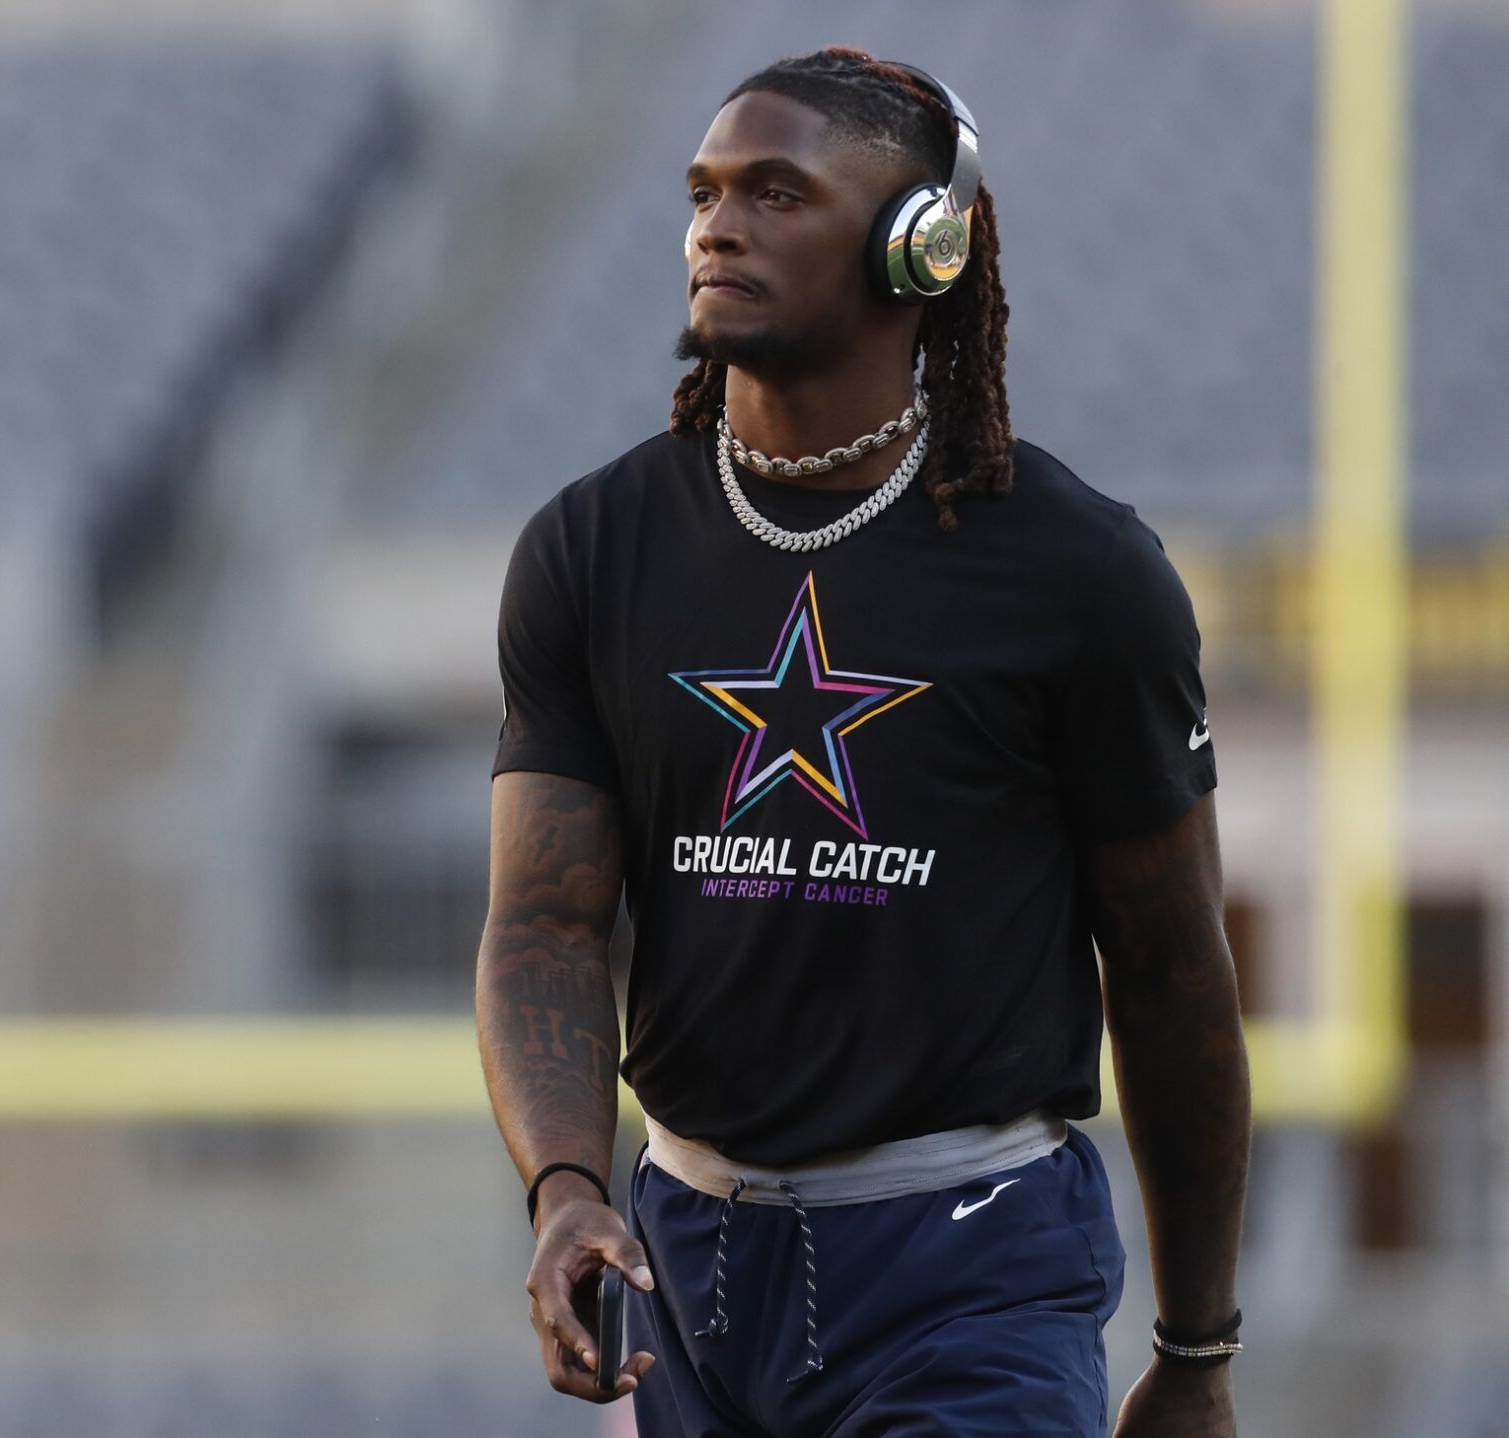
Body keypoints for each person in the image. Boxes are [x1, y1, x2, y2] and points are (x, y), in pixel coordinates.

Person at [475, 45, 1249, 1438]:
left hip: (969, 1263)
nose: (719, 222)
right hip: (687, 1264)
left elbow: (1173, 970)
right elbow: (541, 923)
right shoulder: (590, 549)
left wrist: (1196, 1349)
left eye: (779, 192)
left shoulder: (1079, 574)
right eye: (706, 191)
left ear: (924, 246)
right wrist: (567, 1186)